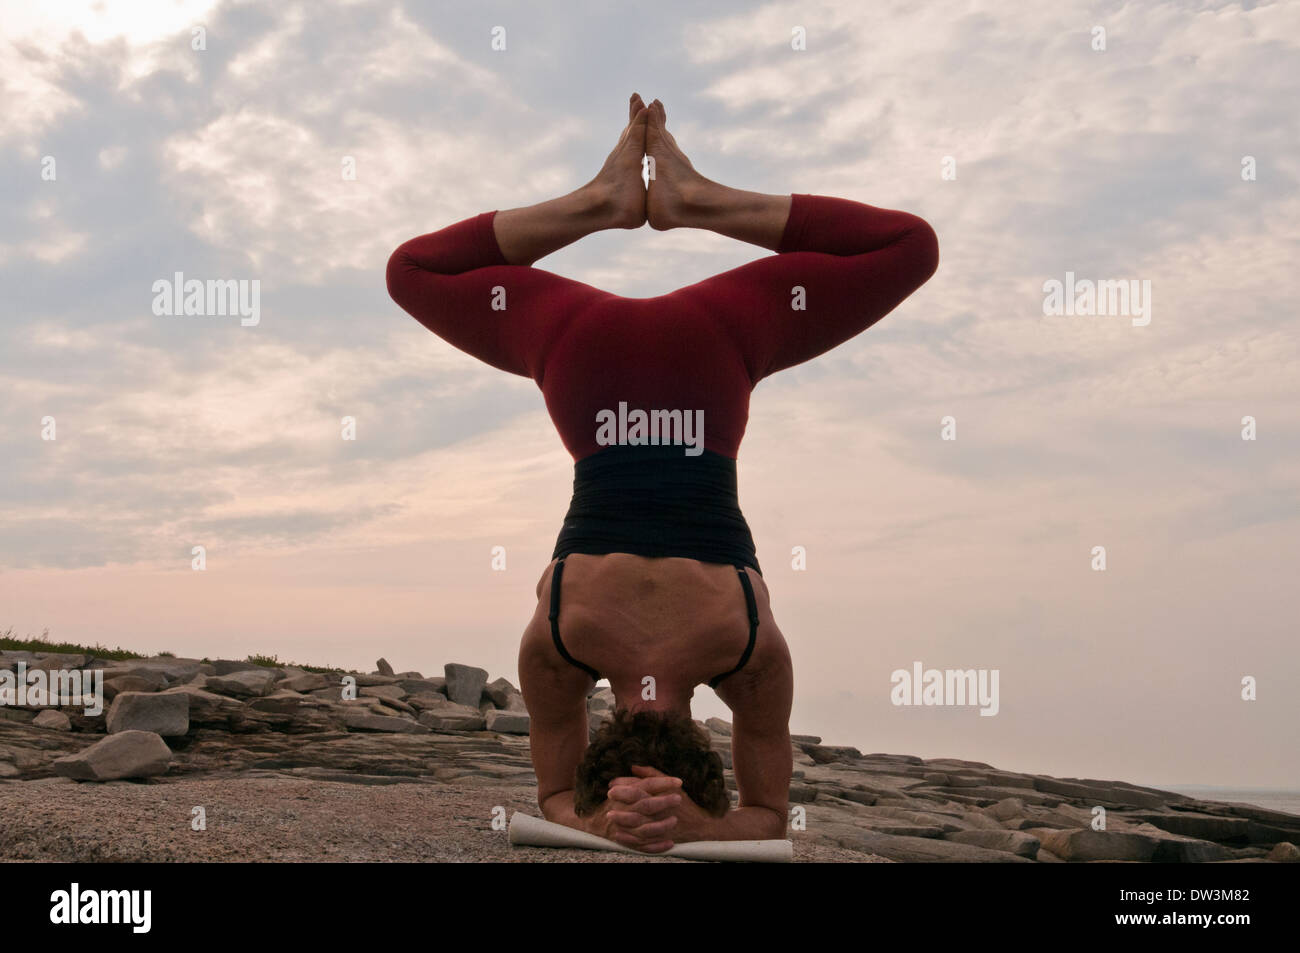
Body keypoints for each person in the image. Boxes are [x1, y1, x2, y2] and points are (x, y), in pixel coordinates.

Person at [386, 93, 939, 852]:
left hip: (705, 360)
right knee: (410, 271)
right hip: (592, 362)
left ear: (707, 746)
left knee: (910, 248)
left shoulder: (750, 660)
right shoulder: (557, 652)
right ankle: (617, 200)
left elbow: (766, 820)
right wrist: (605, 819)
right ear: (604, 727)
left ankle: (668, 198)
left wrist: (698, 823)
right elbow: (555, 795)